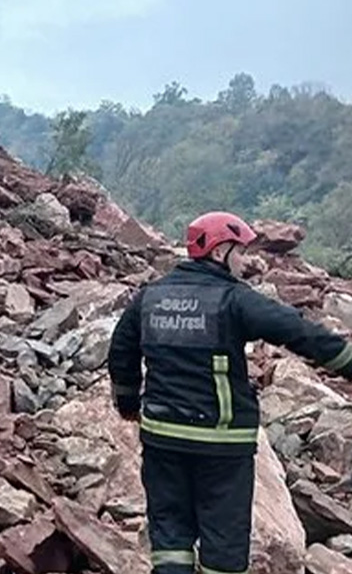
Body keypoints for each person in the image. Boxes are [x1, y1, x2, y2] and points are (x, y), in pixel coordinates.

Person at [107, 211, 352, 574]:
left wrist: (128, 403)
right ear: (220, 251)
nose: (244, 261)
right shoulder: (233, 299)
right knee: (223, 541)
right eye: (239, 251)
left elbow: (121, 353)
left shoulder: (151, 297)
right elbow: (297, 331)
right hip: (221, 444)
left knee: (170, 536)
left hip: (162, 439)